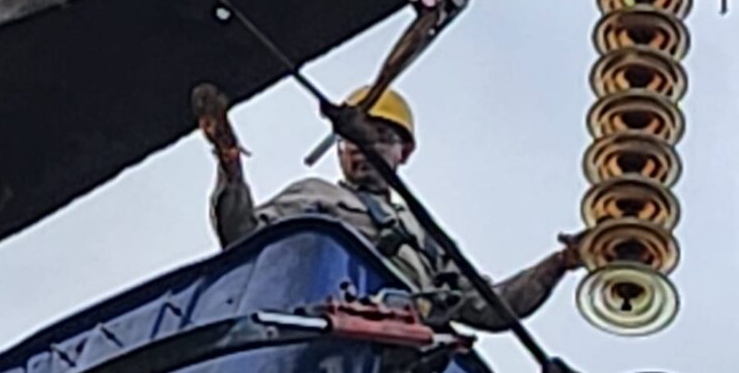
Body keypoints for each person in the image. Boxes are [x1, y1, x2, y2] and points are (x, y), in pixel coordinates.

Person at [192, 83, 583, 331]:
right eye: (354, 141)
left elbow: (493, 309)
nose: (364, 150)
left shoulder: (425, 236)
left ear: (404, 151)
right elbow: (241, 236)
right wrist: (229, 161)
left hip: (402, 362)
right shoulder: (314, 196)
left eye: (379, 137)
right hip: (326, 332)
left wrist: (561, 262)